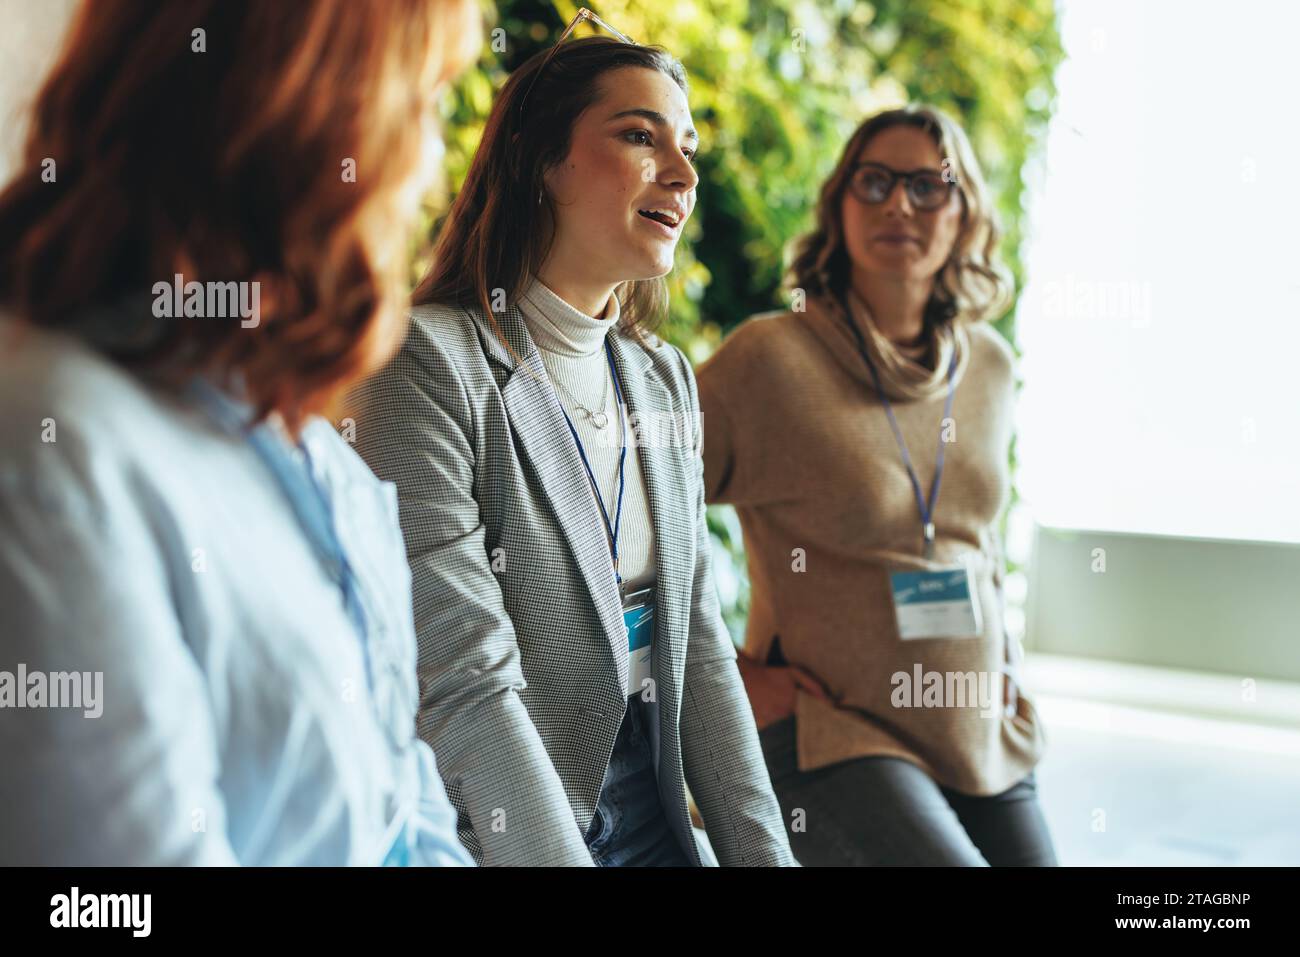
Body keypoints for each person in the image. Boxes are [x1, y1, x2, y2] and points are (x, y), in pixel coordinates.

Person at [0, 0, 481, 865]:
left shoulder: (320, 461)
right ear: (306, 119)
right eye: (424, 102)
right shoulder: (54, 453)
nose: (433, 162)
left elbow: (406, 812)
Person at [348, 23, 795, 867]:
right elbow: (466, 684)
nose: (684, 174)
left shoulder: (663, 378)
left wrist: (767, 858)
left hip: (649, 798)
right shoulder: (425, 360)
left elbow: (695, 642)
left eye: (688, 148)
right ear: (544, 162)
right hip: (508, 817)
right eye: (640, 136)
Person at [697, 105, 1058, 866]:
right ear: (840, 205)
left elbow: (974, 535)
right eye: (876, 182)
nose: (900, 203)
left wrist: (1003, 664)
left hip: (978, 729)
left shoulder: (989, 364)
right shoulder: (770, 359)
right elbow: (627, 508)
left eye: (930, 186)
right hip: (834, 734)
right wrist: (732, 674)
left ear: (965, 217)